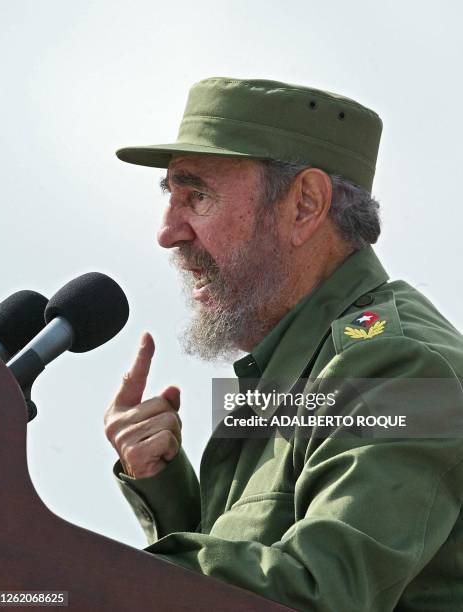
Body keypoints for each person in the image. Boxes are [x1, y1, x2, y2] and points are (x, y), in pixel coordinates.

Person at [104, 77, 463, 611]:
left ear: (304, 205)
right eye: (171, 197)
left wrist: (88, 579)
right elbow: (253, 575)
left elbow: (319, 594)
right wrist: (163, 487)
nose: (168, 231)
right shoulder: (291, 367)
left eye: (196, 195)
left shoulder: (397, 367)